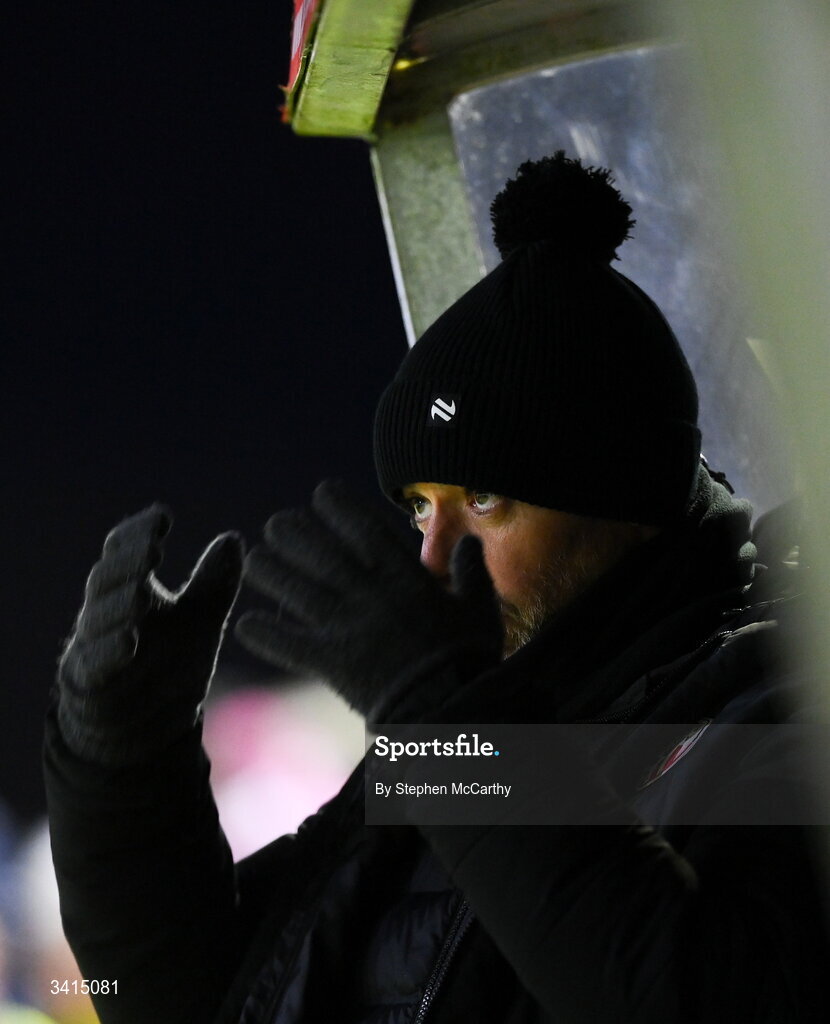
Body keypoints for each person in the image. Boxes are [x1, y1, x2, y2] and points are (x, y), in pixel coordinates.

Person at [44, 152, 829, 1024]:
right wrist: (121, 767)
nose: (432, 559)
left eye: (484, 499)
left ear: (623, 496)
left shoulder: (773, 704)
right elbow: (193, 1000)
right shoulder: (464, 744)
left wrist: (445, 723)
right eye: (420, 508)